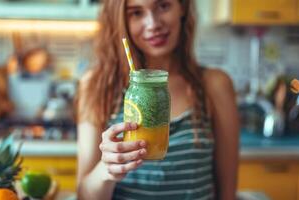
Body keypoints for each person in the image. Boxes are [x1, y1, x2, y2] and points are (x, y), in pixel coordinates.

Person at [76, 0, 239, 199]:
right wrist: (107, 170)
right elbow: (83, 195)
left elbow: (227, 193)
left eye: (163, 6)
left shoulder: (214, 85)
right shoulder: (97, 85)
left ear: (182, 8)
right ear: (120, 20)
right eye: (136, 12)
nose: (153, 24)